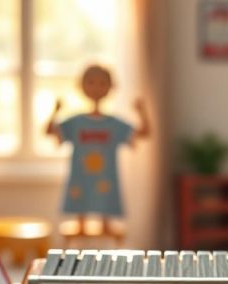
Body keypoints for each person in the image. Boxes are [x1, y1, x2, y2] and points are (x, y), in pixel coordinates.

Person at [44, 64, 149, 237]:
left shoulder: (114, 124)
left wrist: (142, 112)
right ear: (82, 86)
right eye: (91, 83)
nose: (96, 88)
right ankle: (81, 221)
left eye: (102, 83)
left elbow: (143, 133)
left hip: (105, 176)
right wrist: (54, 112)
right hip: (81, 173)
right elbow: (50, 131)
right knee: (81, 192)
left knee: (105, 193)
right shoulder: (76, 122)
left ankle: (106, 223)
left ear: (110, 87)